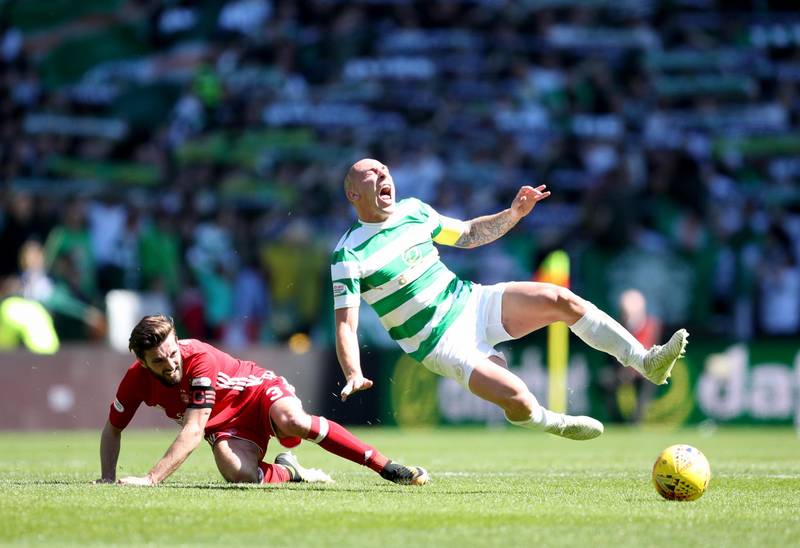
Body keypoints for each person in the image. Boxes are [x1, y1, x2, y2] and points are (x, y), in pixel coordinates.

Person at [332, 158, 689, 440]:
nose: (383, 174)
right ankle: (551, 422)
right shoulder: (348, 254)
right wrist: (353, 372)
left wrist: (514, 213)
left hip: (470, 301)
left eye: (385, 169)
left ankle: (645, 361)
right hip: (440, 343)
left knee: (560, 299)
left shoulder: (414, 211)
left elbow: (469, 234)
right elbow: (346, 325)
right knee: (516, 397)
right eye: (371, 173)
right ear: (353, 194)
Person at [96, 314, 428, 486]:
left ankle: (386, 467)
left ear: (177, 341)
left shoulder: (198, 359)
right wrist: (108, 477)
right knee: (236, 473)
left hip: (256, 392)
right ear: (141, 361)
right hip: (225, 425)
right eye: (158, 361)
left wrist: (152, 479)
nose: (171, 365)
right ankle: (291, 472)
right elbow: (113, 429)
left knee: (292, 422)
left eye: (172, 354)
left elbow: (194, 430)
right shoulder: (134, 381)